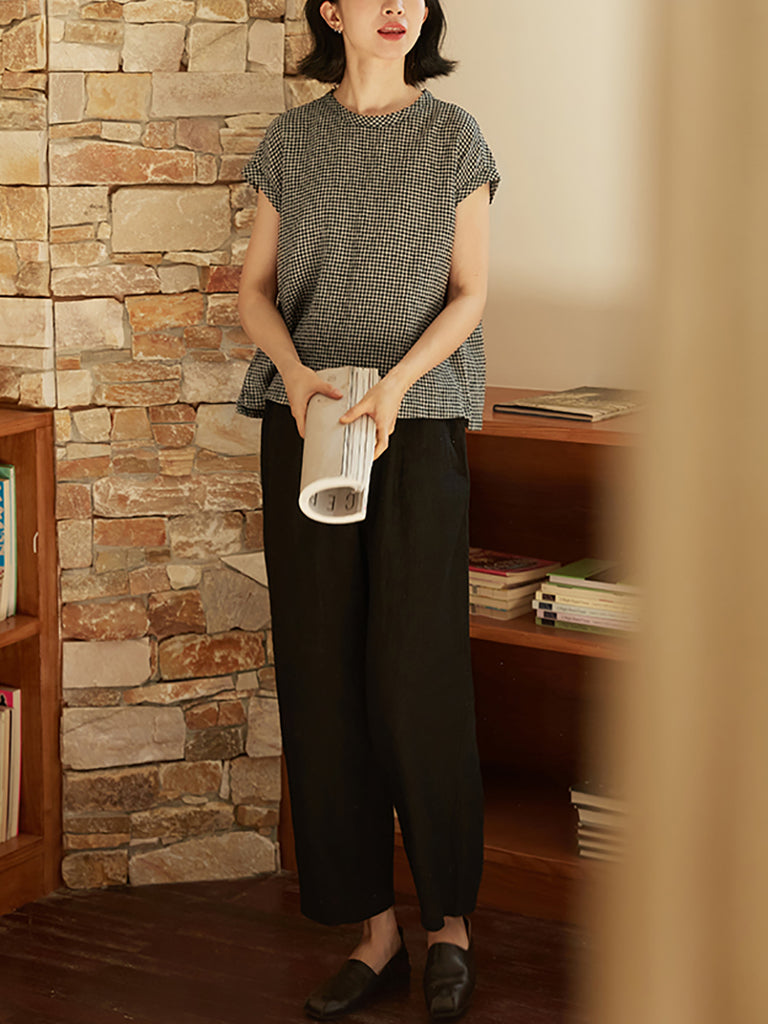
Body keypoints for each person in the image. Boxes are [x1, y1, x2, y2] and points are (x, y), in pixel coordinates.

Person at [236, 1, 500, 1019]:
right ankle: (374, 931)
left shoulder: (455, 138)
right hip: (307, 422)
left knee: (416, 672)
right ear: (331, 11)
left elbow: (470, 293)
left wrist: (394, 386)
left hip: (416, 422)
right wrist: (299, 376)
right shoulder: (290, 142)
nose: (397, 6)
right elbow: (255, 290)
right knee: (322, 673)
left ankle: (449, 926)